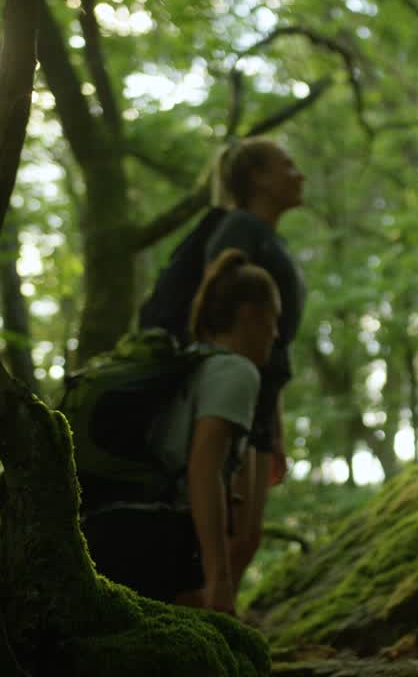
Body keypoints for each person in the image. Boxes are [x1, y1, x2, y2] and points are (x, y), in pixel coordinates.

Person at [139, 137, 307, 605]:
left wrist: (275, 429)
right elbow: (223, 311)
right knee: (220, 539)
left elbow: (273, 346)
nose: (300, 175)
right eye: (287, 165)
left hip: (256, 398)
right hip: (226, 393)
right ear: (257, 177)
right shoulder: (238, 227)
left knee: (245, 537)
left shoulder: (273, 241)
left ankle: (209, 635)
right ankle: (197, 636)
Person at [84, 248, 281, 613]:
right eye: (274, 319)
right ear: (251, 315)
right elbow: (203, 471)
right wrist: (218, 580)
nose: (276, 333)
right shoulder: (237, 372)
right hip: (149, 541)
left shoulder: (195, 363)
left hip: (109, 530)